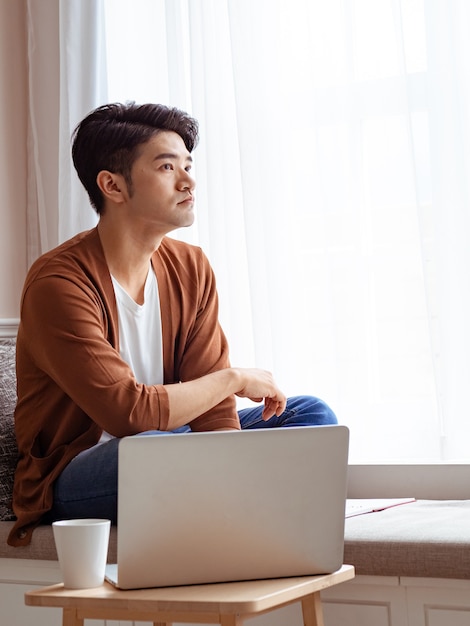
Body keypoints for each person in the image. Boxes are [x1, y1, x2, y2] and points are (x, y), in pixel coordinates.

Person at [8, 103, 337, 547]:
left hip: (173, 446)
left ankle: (232, 497)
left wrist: (226, 447)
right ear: (112, 185)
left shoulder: (190, 265)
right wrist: (234, 378)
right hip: (82, 471)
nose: (188, 180)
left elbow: (214, 409)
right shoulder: (59, 283)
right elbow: (128, 414)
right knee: (155, 450)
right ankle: (249, 497)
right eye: (166, 166)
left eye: (187, 164)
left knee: (311, 415)